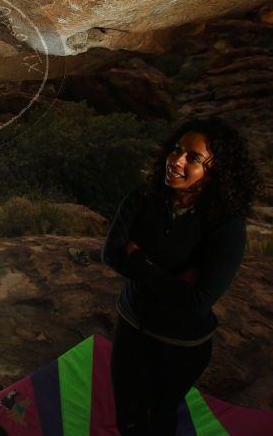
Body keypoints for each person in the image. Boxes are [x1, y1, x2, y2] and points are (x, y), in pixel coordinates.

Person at [102, 118, 258, 435]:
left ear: (217, 173)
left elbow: (197, 302)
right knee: (127, 415)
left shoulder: (226, 227)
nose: (177, 160)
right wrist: (174, 279)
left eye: (194, 158)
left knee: (160, 417)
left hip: (180, 345)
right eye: (177, 150)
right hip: (131, 328)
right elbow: (111, 254)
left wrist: (140, 261)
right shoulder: (143, 197)